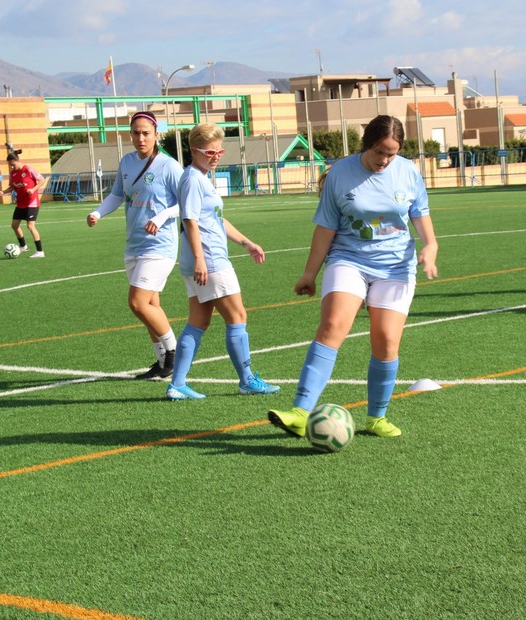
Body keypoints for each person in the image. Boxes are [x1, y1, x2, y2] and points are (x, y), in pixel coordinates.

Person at [268, 115, 438, 439]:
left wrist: (430, 246)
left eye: (392, 153)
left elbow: (420, 214)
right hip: (349, 258)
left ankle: (376, 417)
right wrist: (309, 273)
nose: (385, 160)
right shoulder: (340, 173)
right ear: (366, 145)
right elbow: (325, 228)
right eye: (379, 152)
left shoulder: (409, 172)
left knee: (386, 339)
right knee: (332, 325)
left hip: (395, 267)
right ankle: (300, 412)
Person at [165, 123, 280, 399]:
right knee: (237, 316)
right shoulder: (193, 178)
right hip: (210, 261)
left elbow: (215, 219)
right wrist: (201, 260)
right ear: (194, 151)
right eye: (210, 152)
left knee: (198, 322)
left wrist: (246, 242)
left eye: (219, 151)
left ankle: (177, 385)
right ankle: (247, 380)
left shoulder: (202, 177)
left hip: (202, 260)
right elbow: (190, 221)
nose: (216, 156)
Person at [86, 111, 183, 380]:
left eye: (146, 133)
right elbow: (117, 195)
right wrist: (97, 213)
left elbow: (186, 202)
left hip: (160, 245)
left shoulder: (169, 166)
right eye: (136, 133)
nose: (140, 138)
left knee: (137, 302)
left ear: (156, 134)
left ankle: (175, 354)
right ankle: (162, 361)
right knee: (151, 304)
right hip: (134, 245)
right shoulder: (127, 162)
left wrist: (162, 216)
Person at [0, 148, 47, 258]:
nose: (12, 167)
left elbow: (42, 180)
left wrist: (33, 189)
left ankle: (40, 251)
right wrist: (3, 192)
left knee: (30, 226)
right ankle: (23, 246)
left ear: (17, 161)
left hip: (31, 202)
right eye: (10, 165)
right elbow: (12, 187)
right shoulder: (13, 173)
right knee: (14, 225)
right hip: (21, 203)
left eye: (12, 165)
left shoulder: (28, 170)